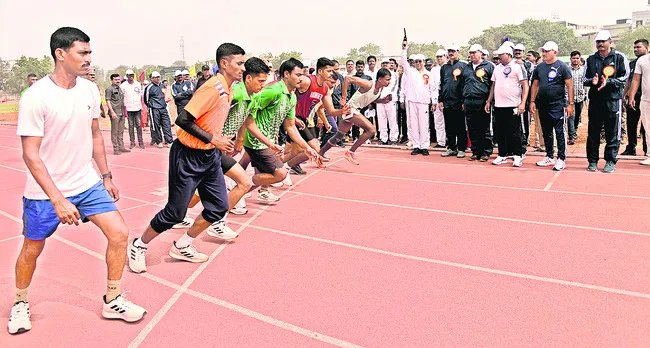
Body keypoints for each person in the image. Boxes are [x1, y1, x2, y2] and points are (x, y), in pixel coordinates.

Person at [9, 27, 146, 335]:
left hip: (87, 183)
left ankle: (113, 299)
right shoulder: (36, 97)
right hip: (46, 193)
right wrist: (58, 199)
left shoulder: (88, 90)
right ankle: (20, 302)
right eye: (82, 53)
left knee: (120, 233)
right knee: (33, 248)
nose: (89, 59)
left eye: (89, 53)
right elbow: (31, 155)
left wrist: (106, 176)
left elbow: (96, 135)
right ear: (61, 53)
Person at [128, 43, 246, 273]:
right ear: (224, 63)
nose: (243, 68)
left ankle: (183, 244)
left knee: (218, 207)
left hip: (209, 156)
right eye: (239, 63)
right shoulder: (212, 87)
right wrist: (215, 139)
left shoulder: (230, 87)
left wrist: (219, 140)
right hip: (187, 156)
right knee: (175, 213)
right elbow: (183, 120)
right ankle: (139, 245)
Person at [242, 58, 319, 201]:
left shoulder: (292, 97)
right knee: (280, 174)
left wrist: (306, 147)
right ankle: (241, 186)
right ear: (286, 74)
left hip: (269, 140)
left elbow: (290, 127)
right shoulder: (273, 91)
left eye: (302, 75)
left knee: (261, 167)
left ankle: (256, 189)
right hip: (256, 139)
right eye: (297, 74)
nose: (301, 79)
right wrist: (241, 135)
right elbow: (249, 108)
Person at [320, 68, 392, 164]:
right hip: (350, 109)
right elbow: (347, 79)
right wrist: (344, 97)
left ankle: (320, 153)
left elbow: (370, 98)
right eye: (387, 79)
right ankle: (351, 151)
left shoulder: (380, 89)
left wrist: (382, 101)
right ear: (380, 79)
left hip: (355, 110)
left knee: (339, 136)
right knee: (371, 130)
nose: (389, 82)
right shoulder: (368, 84)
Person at [584, 30, 629, 173]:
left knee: (612, 132)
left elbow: (625, 77)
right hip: (595, 100)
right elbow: (584, 79)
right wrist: (593, 81)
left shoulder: (619, 57)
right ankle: (592, 161)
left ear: (610, 41)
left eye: (603, 41)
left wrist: (609, 82)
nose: (600, 44)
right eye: (598, 42)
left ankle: (610, 160)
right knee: (593, 132)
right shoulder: (591, 59)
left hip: (613, 100)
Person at [529, 41, 574, 171]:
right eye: (543, 51)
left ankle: (561, 158)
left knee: (559, 132)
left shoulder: (562, 66)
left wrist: (570, 104)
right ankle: (549, 156)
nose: (544, 53)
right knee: (546, 132)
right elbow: (535, 85)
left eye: (547, 51)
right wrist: (532, 101)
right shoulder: (539, 67)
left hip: (558, 105)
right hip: (543, 105)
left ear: (555, 52)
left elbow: (570, 86)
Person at [486, 44, 529, 167]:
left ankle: (517, 155)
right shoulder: (497, 68)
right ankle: (502, 154)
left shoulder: (517, 67)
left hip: (513, 105)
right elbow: (493, 85)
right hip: (499, 105)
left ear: (508, 55)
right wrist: (489, 101)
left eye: (501, 54)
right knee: (500, 131)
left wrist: (522, 103)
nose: (498, 57)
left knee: (515, 131)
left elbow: (525, 85)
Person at [400, 39, 439, 156]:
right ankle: (416, 145)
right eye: (416, 62)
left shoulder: (428, 74)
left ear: (423, 62)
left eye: (420, 61)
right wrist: (404, 49)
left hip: (423, 103)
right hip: (412, 102)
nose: (418, 63)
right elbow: (403, 62)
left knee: (424, 125)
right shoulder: (410, 72)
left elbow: (433, 89)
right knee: (414, 125)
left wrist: (434, 102)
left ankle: (424, 145)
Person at [463, 44, 495, 162]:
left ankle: (486, 151)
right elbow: (462, 84)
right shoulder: (466, 67)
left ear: (480, 53)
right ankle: (475, 151)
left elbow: (493, 84)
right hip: (468, 100)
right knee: (472, 127)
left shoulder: (489, 66)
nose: (472, 55)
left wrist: (489, 101)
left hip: (482, 100)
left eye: (474, 52)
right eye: (470, 53)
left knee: (484, 127)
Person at [105, 73, 131, 155]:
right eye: (115, 80)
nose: (117, 81)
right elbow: (108, 101)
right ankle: (116, 149)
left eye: (118, 79)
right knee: (115, 132)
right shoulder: (109, 89)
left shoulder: (120, 88)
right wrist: (112, 112)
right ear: (111, 80)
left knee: (121, 131)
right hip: (115, 113)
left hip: (121, 112)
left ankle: (121, 147)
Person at [120, 69, 145, 149]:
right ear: (127, 76)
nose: (131, 77)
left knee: (138, 125)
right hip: (129, 108)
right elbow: (121, 96)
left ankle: (141, 142)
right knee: (131, 126)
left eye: (132, 75)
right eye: (130, 75)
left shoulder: (137, 84)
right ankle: (132, 142)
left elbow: (140, 94)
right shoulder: (123, 85)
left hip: (137, 107)